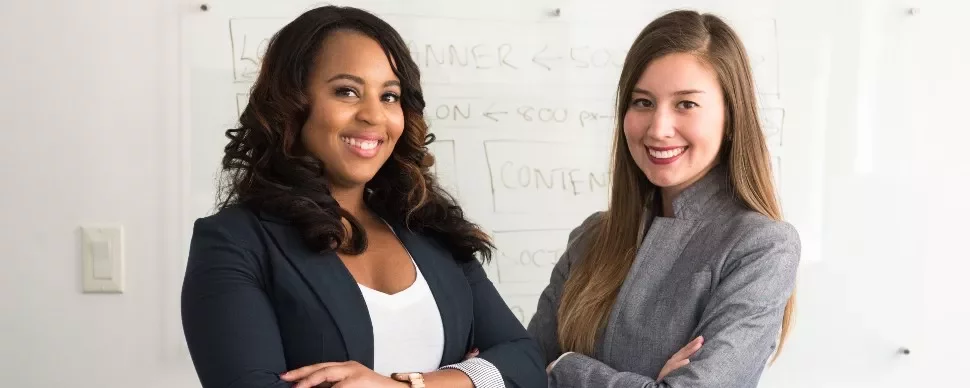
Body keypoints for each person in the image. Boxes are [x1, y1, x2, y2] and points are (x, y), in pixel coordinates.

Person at [180, 5, 546, 388]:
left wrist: (411, 386)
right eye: (347, 91)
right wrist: (473, 376)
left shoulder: (430, 230)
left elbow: (524, 363)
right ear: (292, 104)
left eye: (390, 96)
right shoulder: (235, 242)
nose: (374, 115)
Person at [527, 9, 800, 388]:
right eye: (643, 102)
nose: (658, 128)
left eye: (686, 104)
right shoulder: (591, 237)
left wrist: (565, 366)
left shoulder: (761, 247)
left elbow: (541, 369)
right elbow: (520, 370)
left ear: (731, 117)